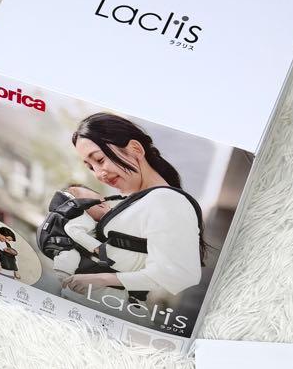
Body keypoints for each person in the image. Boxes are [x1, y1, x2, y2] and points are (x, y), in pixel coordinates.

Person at [58, 113, 205, 300]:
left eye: (100, 160)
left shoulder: (166, 200)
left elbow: (180, 274)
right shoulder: (138, 200)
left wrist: (102, 279)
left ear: (136, 149)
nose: (99, 174)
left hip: (116, 307)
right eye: (91, 167)